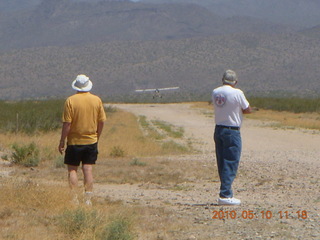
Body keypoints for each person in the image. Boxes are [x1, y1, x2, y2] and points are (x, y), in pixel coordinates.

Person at [58, 74, 106, 205]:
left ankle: (74, 198)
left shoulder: (70, 101)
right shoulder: (96, 100)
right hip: (91, 140)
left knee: (72, 169)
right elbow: (101, 121)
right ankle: (88, 199)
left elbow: (67, 124)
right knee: (88, 168)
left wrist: (62, 140)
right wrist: (97, 136)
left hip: (74, 141)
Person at [212, 70, 252, 205]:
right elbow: (247, 109)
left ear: (222, 79)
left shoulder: (216, 92)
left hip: (218, 129)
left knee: (222, 161)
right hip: (232, 130)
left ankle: (225, 190)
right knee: (231, 161)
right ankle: (225, 194)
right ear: (235, 82)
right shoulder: (237, 93)